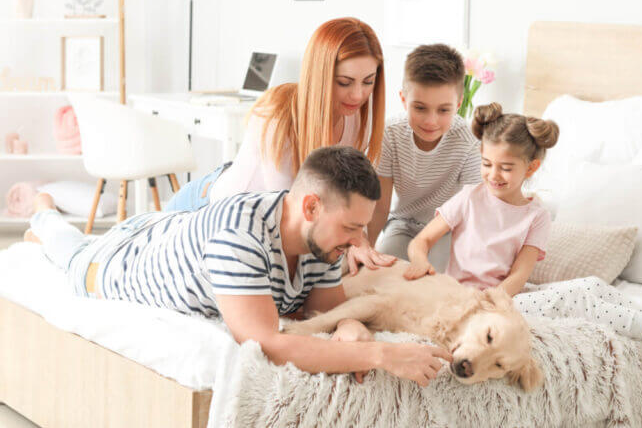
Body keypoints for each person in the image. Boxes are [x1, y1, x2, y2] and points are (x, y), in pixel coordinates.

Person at [24, 146, 450, 387]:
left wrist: (350, 329)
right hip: (114, 262)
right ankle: (43, 212)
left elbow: (323, 312)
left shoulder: (319, 241)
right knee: (70, 249)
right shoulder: (240, 236)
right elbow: (266, 342)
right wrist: (380, 353)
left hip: (170, 229)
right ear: (311, 206)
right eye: (351, 228)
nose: (359, 243)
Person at [404, 102, 642, 374]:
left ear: (530, 168)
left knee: (592, 287)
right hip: (470, 301)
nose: (493, 175)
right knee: (575, 299)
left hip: (505, 296)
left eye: (505, 167)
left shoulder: (536, 215)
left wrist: (499, 297)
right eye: (487, 164)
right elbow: (421, 242)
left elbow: (521, 272)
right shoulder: (468, 198)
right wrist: (420, 263)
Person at [165, 17, 395, 273]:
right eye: (344, 82)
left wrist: (359, 241)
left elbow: (346, 198)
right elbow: (289, 218)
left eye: (368, 81)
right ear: (319, 75)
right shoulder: (278, 115)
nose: (358, 95)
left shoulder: (357, 118)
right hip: (205, 209)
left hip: (256, 224)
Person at [352, 43, 481, 274]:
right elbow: (380, 205)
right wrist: (368, 249)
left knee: (434, 278)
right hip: (402, 224)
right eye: (420, 108)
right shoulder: (389, 134)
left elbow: (474, 207)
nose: (431, 121)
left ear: (458, 105)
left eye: (443, 110)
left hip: (444, 228)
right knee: (381, 274)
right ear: (403, 100)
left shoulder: (468, 141)